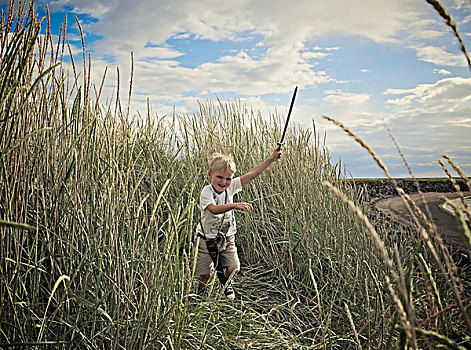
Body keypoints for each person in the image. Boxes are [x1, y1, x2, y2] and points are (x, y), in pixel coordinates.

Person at [195, 147, 282, 299]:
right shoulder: (207, 192)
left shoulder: (232, 187)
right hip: (206, 238)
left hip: (227, 237)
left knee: (234, 268)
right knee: (204, 275)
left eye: (228, 178)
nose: (224, 182)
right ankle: (201, 293)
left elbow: (253, 173)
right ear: (210, 175)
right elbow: (213, 209)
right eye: (219, 177)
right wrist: (235, 205)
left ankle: (226, 282)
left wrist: (271, 158)